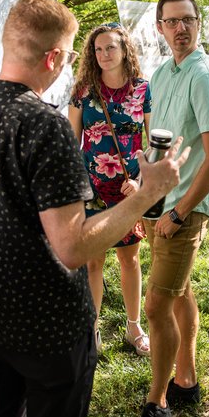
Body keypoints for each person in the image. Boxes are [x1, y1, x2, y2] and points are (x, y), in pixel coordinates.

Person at [0, 0, 188, 417]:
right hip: (47, 329)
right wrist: (149, 195)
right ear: (54, 57)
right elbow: (72, 247)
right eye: (75, 52)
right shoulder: (43, 123)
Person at [142, 0, 209, 417]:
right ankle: (186, 380)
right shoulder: (162, 74)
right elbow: (159, 144)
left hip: (186, 207)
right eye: (172, 22)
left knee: (156, 306)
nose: (181, 28)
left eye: (188, 20)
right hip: (162, 204)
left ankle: (156, 401)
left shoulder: (205, 76)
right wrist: (148, 199)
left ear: (199, 24)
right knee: (179, 293)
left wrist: (177, 213)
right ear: (160, 28)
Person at [68, 23, 152, 357]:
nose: (103, 55)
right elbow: (72, 143)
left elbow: (154, 144)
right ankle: (91, 331)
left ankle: (134, 328)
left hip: (130, 189)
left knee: (130, 260)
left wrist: (142, 182)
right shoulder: (83, 90)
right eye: (98, 49)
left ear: (124, 50)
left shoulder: (143, 89)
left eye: (110, 48)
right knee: (93, 263)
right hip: (93, 188)